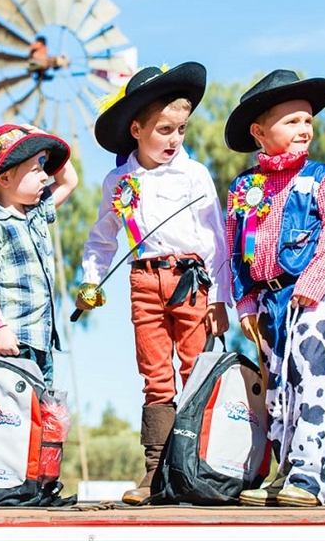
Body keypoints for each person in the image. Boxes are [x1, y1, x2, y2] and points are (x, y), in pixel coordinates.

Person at [74, 63, 233, 505]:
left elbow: (216, 240)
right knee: (155, 376)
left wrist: (220, 298)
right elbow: (102, 237)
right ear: (137, 129)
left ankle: (201, 466)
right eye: (164, 129)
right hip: (143, 279)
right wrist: (91, 279)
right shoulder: (118, 180)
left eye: (181, 129)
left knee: (196, 370)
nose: (174, 139)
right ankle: (155, 472)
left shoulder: (194, 175)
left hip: (190, 280)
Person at [223, 69, 325, 508]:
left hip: (312, 294)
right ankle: (282, 470)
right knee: (276, 380)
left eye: (308, 120)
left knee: (309, 373)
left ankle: (309, 474)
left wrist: (313, 283)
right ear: (260, 131)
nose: (304, 129)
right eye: (291, 121)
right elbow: (235, 247)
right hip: (268, 297)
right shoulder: (244, 187)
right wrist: (245, 303)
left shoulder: (320, 179)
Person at [0, 124, 79, 386]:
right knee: (10, 417)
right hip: (9, 341)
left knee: (39, 413)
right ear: (4, 179)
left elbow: (69, 181)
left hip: (39, 338)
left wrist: (41, 135)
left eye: (44, 167)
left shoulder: (34, 211)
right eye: (37, 169)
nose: (45, 177)